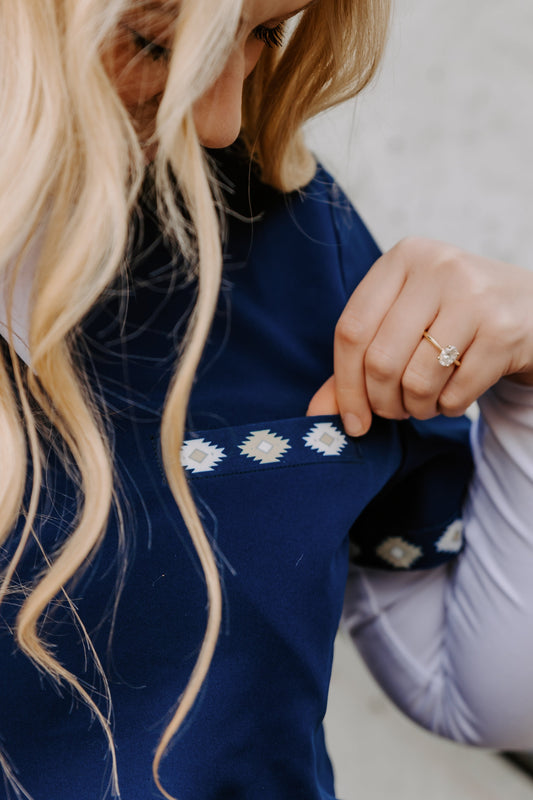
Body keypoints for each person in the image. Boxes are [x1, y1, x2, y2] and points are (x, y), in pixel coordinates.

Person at [1, 1, 533, 799]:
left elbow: (471, 694)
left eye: (263, 36)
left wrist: (527, 388)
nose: (220, 120)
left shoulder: (279, 233)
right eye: (156, 44)